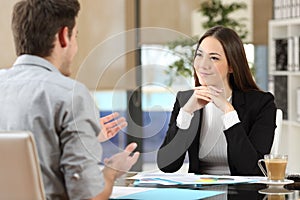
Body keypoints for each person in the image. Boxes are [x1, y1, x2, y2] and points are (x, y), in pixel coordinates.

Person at [0, 0, 139, 199]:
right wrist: (112, 171)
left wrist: (85, 136)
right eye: (76, 37)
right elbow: (89, 197)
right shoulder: (70, 95)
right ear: (64, 36)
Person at [157, 25, 277, 176]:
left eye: (214, 58)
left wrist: (228, 111)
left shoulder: (261, 103)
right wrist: (186, 113)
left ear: (232, 66)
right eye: (199, 55)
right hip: (200, 192)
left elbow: (253, 170)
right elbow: (167, 165)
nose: (203, 65)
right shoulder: (185, 100)